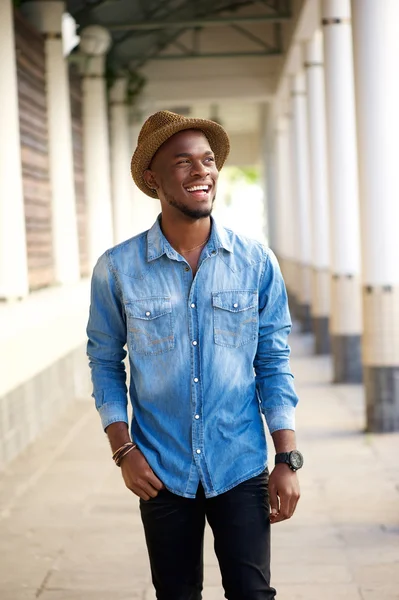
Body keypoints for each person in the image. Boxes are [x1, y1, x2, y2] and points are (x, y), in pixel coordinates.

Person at [87, 110, 302, 600]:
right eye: (182, 162)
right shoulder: (118, 270)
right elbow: (103, 360)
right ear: (152, 177)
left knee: (252, 593)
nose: (201, 170)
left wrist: (286, 457)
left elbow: (273, 361)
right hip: (161, 470)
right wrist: (123, 451)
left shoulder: (256, 263)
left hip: (240, 463)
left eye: (207, 160)